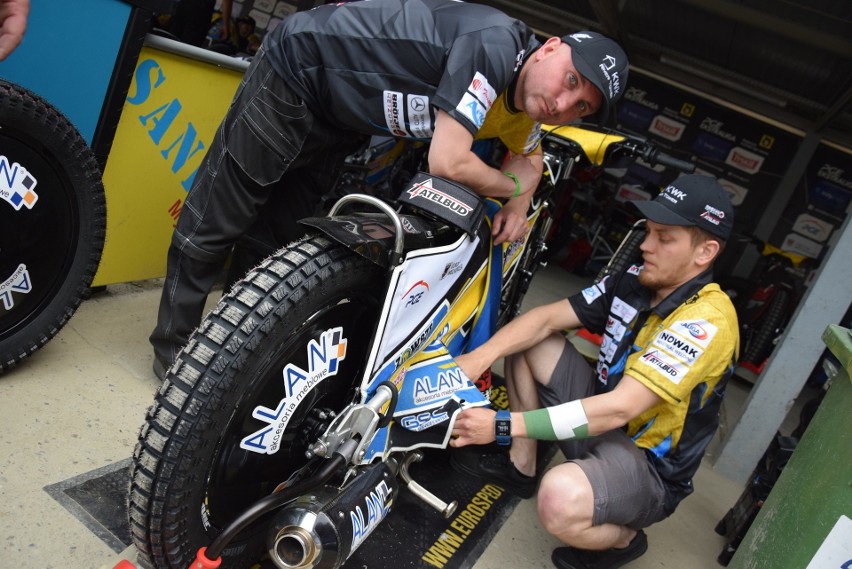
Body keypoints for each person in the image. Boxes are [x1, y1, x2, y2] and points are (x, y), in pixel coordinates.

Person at [149, 0, 629, 380]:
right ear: (547, 49)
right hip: (297, 72)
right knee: (219, 219)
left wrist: (521, 202)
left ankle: (227, 355)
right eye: (571, 80)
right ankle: (175, 358)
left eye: (580, 107)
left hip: (341, 118)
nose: (563, 105)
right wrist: (508, 186)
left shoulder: (528, 106)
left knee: (274, 235)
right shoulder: (495, 47)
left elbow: (531, 157)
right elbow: (448, 162)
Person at [449, 174, 738, 569]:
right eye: (649, 232)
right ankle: (522, 465)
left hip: (646, 468)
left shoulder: (708, 320)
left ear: (705, 253)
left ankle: (624, 541)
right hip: (599, 421)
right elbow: (545, 318)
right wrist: (476, 360)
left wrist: (501, 424)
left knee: (559, 499)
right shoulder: (635, 280)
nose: (646, 246)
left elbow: (620, 409)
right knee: (530, 338)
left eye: (664, 238)